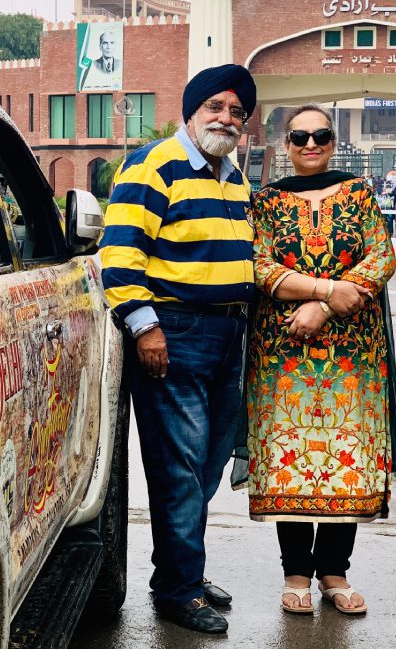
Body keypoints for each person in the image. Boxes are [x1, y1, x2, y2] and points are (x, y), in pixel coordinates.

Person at [100, 63, 257, 635]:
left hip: (226, 335)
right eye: (216, 106)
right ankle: (178, 591)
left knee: (208, 465)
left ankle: (180, 571)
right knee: (180, 468)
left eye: (238, 112)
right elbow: (119, 255)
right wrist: (146, 328)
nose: (227, 118)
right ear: (192, 110)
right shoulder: (153, 164)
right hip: (176, 335)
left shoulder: (231, 176)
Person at [242, 103, 396, 617]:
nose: (311, 144)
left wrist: (325, 305)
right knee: (292, 458)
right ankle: (295, 572)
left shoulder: (359, 194)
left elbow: (381, 257)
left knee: (345, 457)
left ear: (334, 141)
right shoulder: (266, 202)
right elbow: (256, 260)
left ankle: (335, 573)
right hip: (284, 349)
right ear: (285, 144)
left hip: (353, 350)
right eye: (300, 136)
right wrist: (319, 292)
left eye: (321, 135)